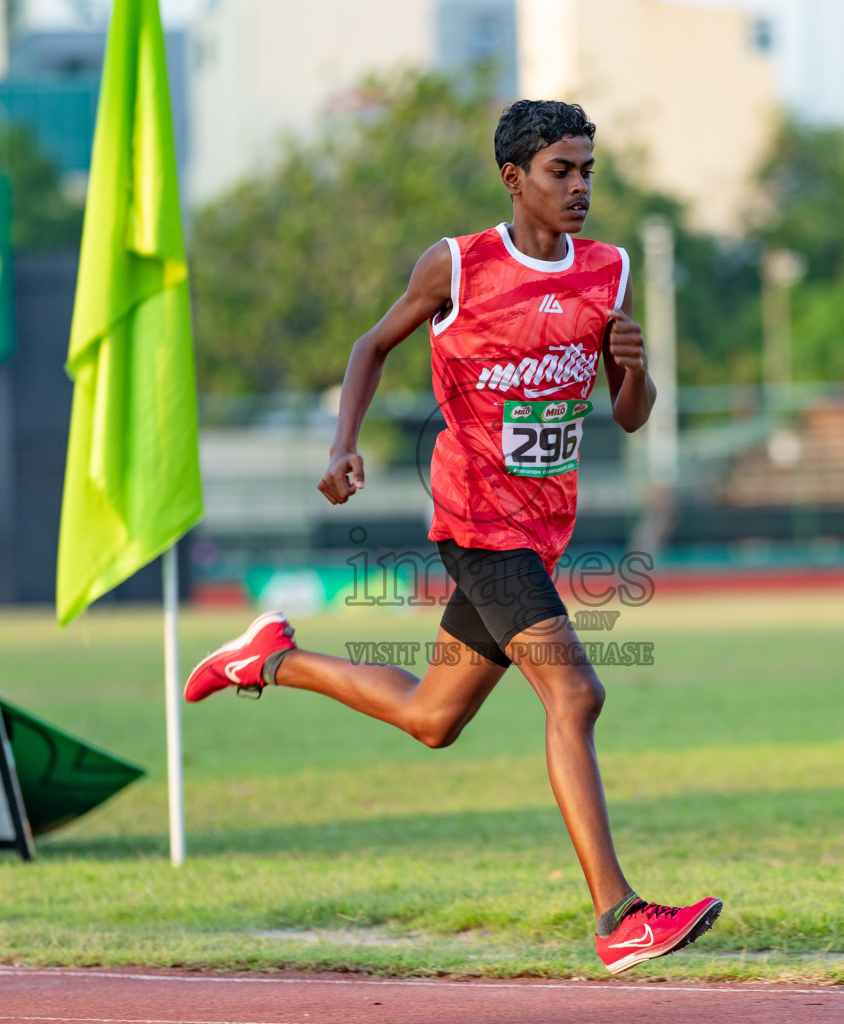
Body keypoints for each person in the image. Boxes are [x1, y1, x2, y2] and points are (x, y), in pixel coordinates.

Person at [185, 100, 721, 974]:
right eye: (562, 170)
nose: (581, 186)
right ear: (515, 179)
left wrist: (637, 368)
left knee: (432, 719)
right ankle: (619, 915)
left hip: (541, 531)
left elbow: (631, 417)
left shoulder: (610, 272)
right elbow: (370, 346)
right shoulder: (460, 267)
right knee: (577, 697)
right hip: (477, 522)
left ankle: (268, 659)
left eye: (588, 169)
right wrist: (343, 445)